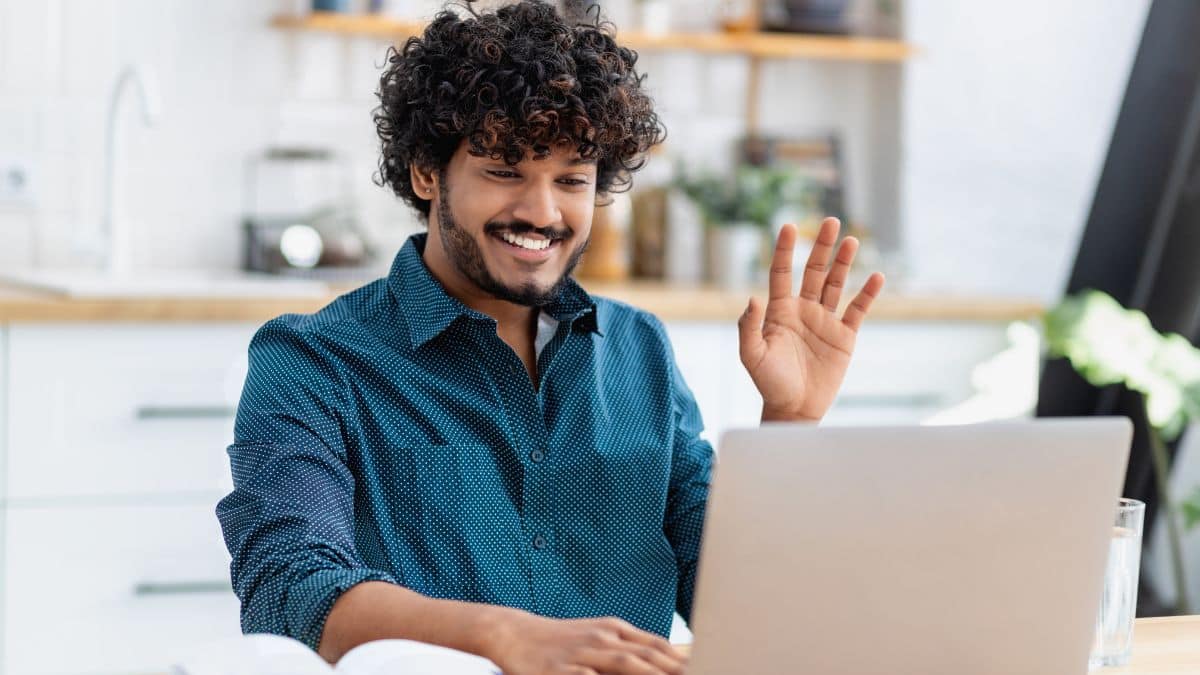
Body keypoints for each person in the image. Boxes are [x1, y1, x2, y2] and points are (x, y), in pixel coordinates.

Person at [216, 1, 884, 673]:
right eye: (504, 171)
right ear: (427, 172)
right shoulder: (313, 360)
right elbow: (288, 589)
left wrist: (792, 425)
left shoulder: (639, 350)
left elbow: (738, 602)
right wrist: (502, 637)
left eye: (571, 180)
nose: (541, 212)